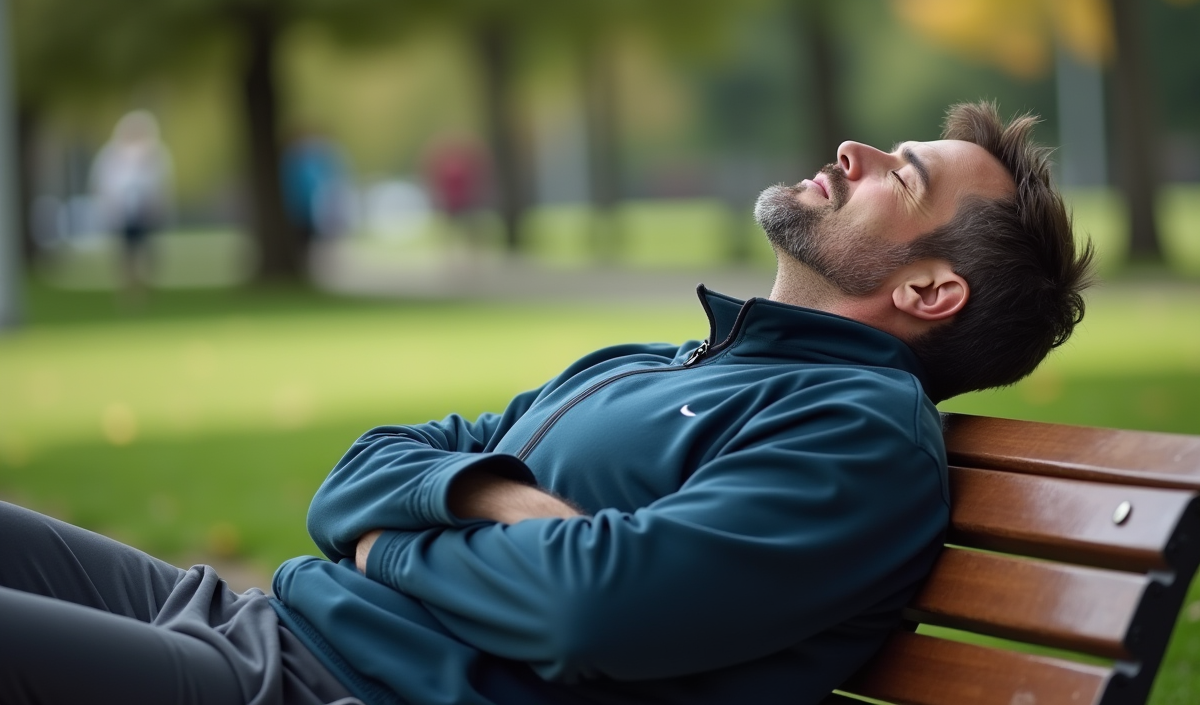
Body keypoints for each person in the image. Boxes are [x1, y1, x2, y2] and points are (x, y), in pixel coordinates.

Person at [0, 102, 1095, 705]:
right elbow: (359, 474)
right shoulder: (666, 360)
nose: (853, 149)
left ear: (930, 291)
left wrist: (387, 541)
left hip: (326, 685)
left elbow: (593, 611)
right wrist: (496, 498)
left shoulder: (856, 437)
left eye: (900, 174)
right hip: (259, 622)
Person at [89, 110, 173, 297]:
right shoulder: (111, 154)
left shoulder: (155, 154)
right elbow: (103, 183)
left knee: (146, 252)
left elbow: (161, 185)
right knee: (125, 253)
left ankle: (143, 286)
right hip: (120, 212)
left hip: (146, 212)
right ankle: (128, 288)